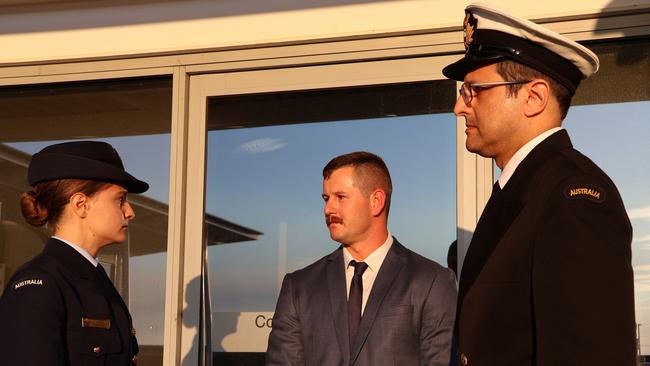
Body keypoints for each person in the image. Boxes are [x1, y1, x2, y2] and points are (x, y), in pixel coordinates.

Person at [442, 4, 635, 366]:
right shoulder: (525, 190)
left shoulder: (573, 197)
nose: (459, 107)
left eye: (474, 91)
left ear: (534, 97)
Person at [266, 151, 457, 366]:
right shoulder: (299, 287)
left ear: (376, 201)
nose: (328, 209)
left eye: (340, 197)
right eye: (326, 199)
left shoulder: (431, 281)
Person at [0, 141, 149, 365]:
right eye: (120, 200)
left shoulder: (93, 280)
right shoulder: (39, 287)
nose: (130, 212)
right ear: (81, 204)